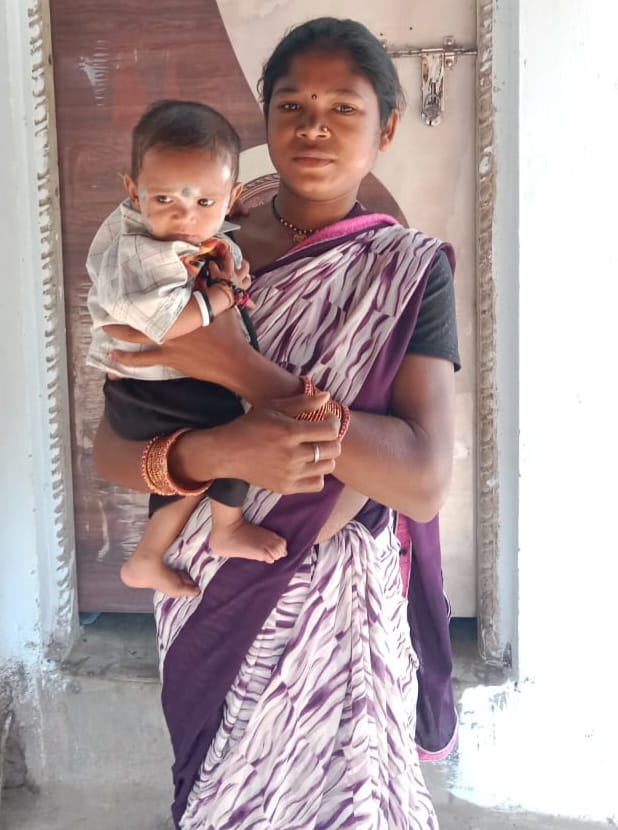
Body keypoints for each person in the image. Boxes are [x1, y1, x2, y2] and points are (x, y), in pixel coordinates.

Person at [94, 17, 460, 828]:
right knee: (226, 798)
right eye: (292, 106)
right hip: (207, 581)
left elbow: (422, 481)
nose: (313, 127)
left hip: (340, 606)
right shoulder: (189, 252)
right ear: (265, 121)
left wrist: (237, 368)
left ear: (386, 128)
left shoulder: (406, 273)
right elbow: (115, 445)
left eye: (343, 108)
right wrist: (220, 450)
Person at [86, 100, 287, 599]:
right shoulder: (142, 251)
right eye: (164, 199)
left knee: (190, 460)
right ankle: (226, 528)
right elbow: (169, 324)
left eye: (204, 202)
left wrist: (233, 279)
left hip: (160, 385)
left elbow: (218, 263)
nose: (184, 216)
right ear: (133, 191)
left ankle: (146, 558)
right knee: (234, 435)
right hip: (149, 388)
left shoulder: (194, 235)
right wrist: (222, 298)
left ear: (232, 198)